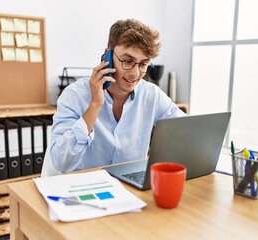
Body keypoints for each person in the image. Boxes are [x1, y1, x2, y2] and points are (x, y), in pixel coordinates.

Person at [50, 19, 186, 173]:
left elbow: (186, 131)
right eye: (128, 61)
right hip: (86, 186)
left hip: (131, 186)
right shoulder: (75, 95)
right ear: (107, 56)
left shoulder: (152, 95)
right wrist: (95, 105)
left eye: (143, 64)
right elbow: (60, 162)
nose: (135, 74)